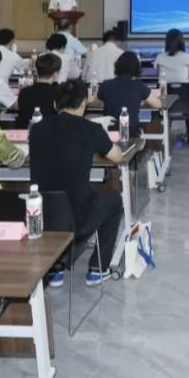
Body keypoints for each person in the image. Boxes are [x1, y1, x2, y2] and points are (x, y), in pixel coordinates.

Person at [29, 79, 127, 287]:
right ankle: (98, 268)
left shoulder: (36, 129)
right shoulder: (91, 129)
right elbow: (117, 157)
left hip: (43, 216)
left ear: (55, 104)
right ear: (84, 103)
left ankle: (55, 270)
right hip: (78, 217)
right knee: (113, 200)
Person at [99, 52, 162, 138]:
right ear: (136, 68)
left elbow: (97, 101)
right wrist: (142, 102)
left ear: (117, 66)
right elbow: (158, 104)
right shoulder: (139, 86)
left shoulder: (105, 85)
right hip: (131, 134)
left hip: (109, 135)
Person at [155, 29, 189, 144]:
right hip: (184, 103)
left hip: (164, 101)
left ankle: (161, 131)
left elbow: (158, 74)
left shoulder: (160, 57)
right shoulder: (188, 57)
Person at [16, 53, 62, 128]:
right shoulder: (59, 93)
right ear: (55, 74)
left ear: (37, 71)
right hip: (51, 132)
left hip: (27, 132)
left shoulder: (24, 92)